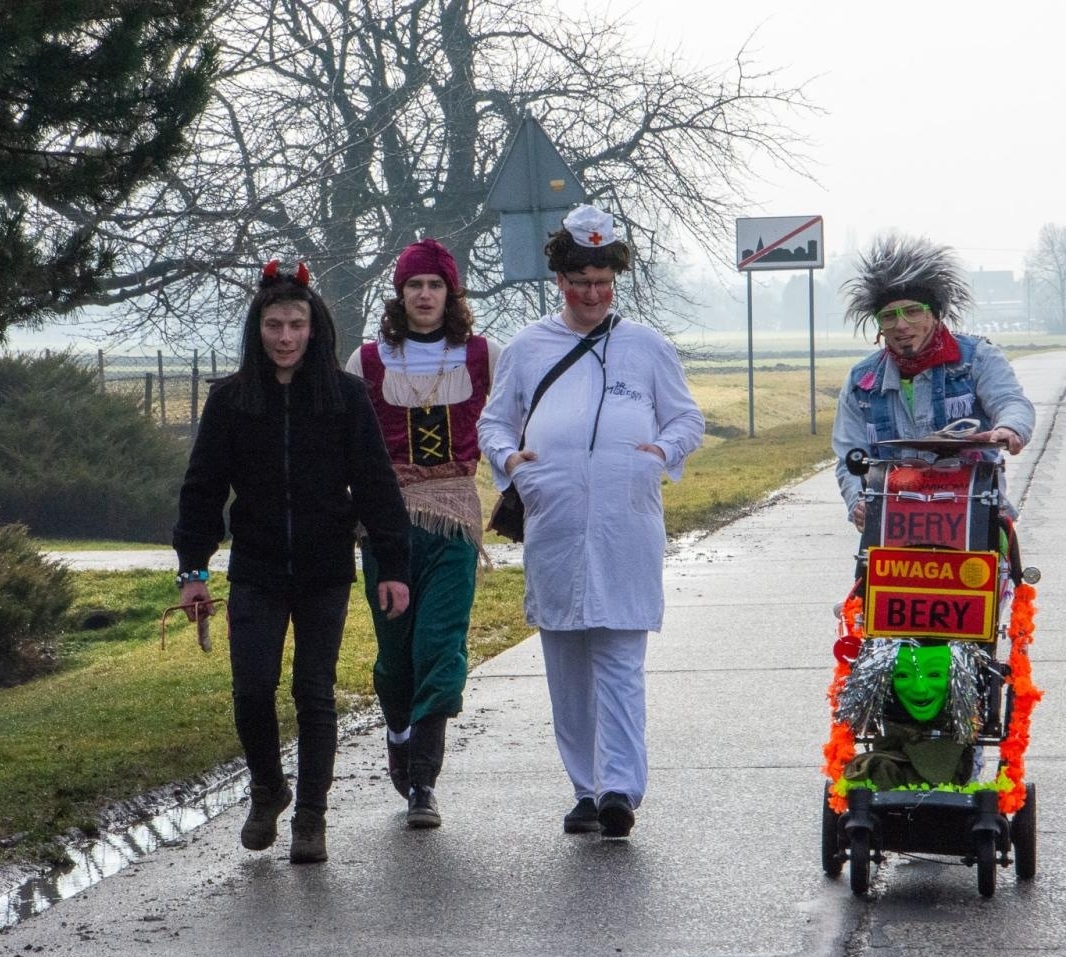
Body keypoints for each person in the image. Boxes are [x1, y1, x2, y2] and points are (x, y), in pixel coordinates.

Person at [477, 205, 704, 838]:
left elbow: (686, 419)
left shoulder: (647, 346)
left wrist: (659, 454)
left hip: (625, 526)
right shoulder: (527, 348)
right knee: (567, 669)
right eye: (582, 284)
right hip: (554, 526)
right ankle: (585, 786)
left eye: (604, 283)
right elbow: (495, 422)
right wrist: (512, 463)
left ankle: (620, 791)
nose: (594, 295)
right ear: (560, 281)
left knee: (620, 663)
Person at [175, 260, 411, 864]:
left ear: (314, 329)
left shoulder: (345, 397)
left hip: (324, 568)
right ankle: (267, 788)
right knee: (252, 689)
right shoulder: (230, 400)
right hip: (255, 569)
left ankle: (311, 816)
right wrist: (193, 570)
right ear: (258, 329)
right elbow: (202, 490)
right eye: (274, 325)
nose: (285, 337)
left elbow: (377, 486)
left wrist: (392, 565)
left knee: (315, 691)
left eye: (296, 325)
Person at [344, 239, 495, 830]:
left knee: (441, 643)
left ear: (450, 294)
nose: (425, 295)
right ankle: (398, 729)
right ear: (400, 295)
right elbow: (347, 442)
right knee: (395, 656)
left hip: (454, 519)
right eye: (414, 286)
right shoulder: (368, 362)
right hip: (387, 524)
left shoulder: (484, 355)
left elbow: (517, 414)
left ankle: (424, 780)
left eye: (435, 285)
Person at [832, 234, 1036, 532]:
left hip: (975, 515)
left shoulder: (977, 358)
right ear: (879, 328)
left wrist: (1010, 427)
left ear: (935, 315)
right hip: (893, 522)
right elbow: (849, 455)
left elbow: (1011, 402)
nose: (901, 325)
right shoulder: (860, 382)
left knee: (1002, 577)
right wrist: (858, 503)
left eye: (913, 311)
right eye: (889, 316)